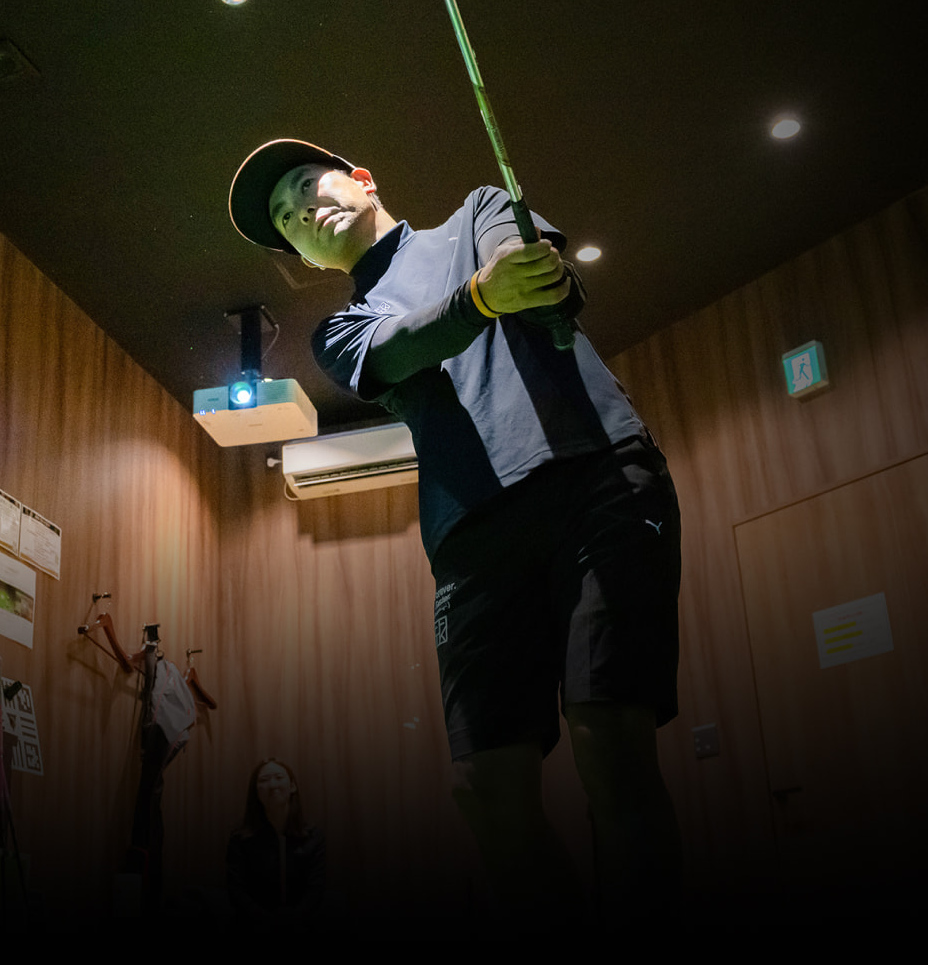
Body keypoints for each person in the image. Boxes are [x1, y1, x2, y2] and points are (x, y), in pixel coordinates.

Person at [227, 140, 683, 924]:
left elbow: (529, 267)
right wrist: (481, 298)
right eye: (285, 218)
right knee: (484, 787)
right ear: (299, 253)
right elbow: (405, 348)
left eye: (307, 185)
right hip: (471, 534)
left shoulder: (475, 213)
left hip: (594, 479)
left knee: (610, 736)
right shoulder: (342, 330)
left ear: (363, 178)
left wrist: (532, 279)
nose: (301, 208)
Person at [226, 758, 326, 930]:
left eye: (279, 777)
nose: (272, 785)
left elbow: (315, 889)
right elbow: (236, 890)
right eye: (264, 780)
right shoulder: (240, 838)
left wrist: (294, 920)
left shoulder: (313, 837)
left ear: (292, 786)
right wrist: (266, 922)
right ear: (256, 792)